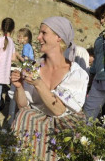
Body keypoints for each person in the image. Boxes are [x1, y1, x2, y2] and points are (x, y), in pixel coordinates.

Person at [10, 16, 88, 160]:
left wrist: (39, 83)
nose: (38, 37)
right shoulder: (33, 67)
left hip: (63, 130)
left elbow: (59, 110)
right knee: (25, 115)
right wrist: (19, 87)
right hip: (33, 125)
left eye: (43, 33)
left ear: (59, 37)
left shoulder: (76, 73)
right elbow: (22, 105)